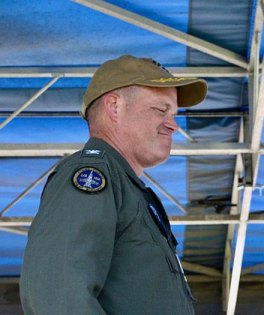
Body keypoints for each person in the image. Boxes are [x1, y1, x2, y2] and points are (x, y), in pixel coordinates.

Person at [20, 55, 208, 314]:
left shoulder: (127, 188)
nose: (173, 125)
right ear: (114, 107)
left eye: (174, 114)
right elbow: (58, 297)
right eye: (161, 110)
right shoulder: (93, 175)